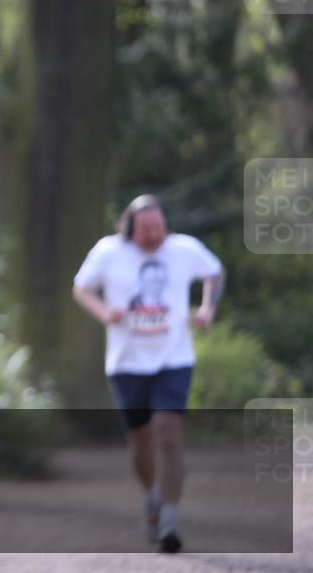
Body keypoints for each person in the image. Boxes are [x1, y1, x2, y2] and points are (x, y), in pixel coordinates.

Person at [72, 194, 224, 554]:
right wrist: (104, 311)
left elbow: (215, 273)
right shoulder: (108, 252)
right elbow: (80, 288)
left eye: (159, 228)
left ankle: (170, 518)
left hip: (174, 359)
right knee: (140, 442)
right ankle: (153, 497)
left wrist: (206, 309)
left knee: (168, 433)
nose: (154, 236)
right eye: (145, 230)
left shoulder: (184, 249)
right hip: (127, 364)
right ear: (129, 228)